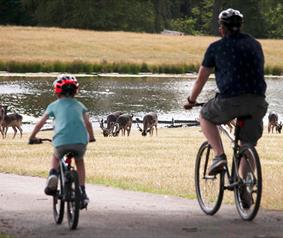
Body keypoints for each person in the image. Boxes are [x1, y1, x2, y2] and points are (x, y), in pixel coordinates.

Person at [184, 8, 268, 207]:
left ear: (221, 29)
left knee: (205, 116)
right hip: (257, 102)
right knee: (247, 146)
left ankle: (219, 156)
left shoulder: (216, 48)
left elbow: (200, 79)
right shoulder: (255, 45)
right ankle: (245, 189)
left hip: (230, 100)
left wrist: (190, 100)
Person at [29, 74, 95, 208]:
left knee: (56, 155)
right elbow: (88, 123)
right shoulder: (80, 105)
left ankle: (53, 174)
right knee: (79, 161)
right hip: (80, 142)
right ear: (76, 91)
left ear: (57, 91)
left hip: (61, 141)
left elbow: (40, 124)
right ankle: (82, 191)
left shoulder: (53, 105)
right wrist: (92, 137)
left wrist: (32, 137)